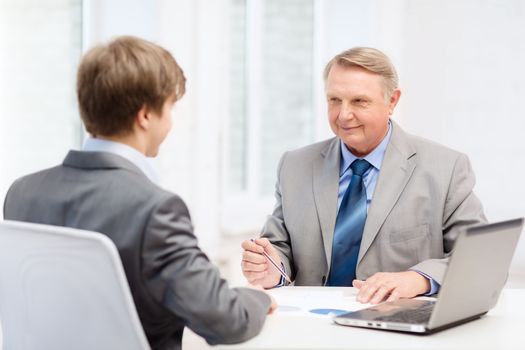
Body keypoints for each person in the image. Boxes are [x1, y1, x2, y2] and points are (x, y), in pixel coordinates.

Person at [3, 36, 275, 350]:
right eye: (170, 108)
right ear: (145, 115)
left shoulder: (22, 193)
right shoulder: (155, 210)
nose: (171, 122)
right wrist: (257, 296)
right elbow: (226, 320)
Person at [241, 47, 486, 304]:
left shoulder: (445, 168)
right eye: (335, 100)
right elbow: (279, 247)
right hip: (312, 325)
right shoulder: (295, 165)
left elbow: (480, 258)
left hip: (395, 326)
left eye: (359, 101)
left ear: (392, 101)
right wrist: (271, 269)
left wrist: (417, 279)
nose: (344, 115)